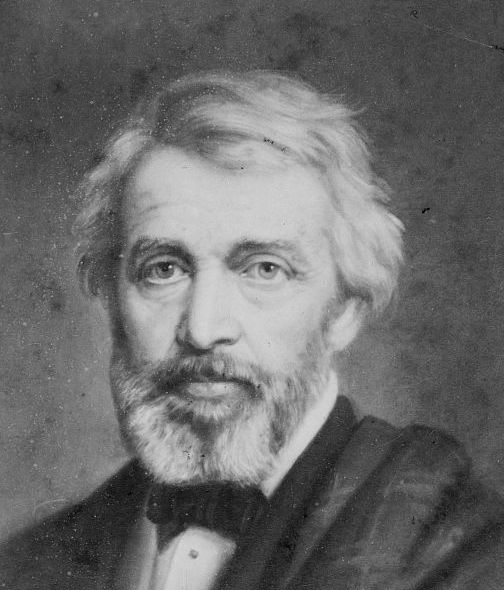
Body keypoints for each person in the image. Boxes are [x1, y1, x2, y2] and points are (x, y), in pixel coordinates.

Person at [1, 70, 503, 589]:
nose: (203, 329)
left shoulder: (463, 549)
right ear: (111, 300)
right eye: (163, 269)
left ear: (345, 310)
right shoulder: (28, 564)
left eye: (265, 269)